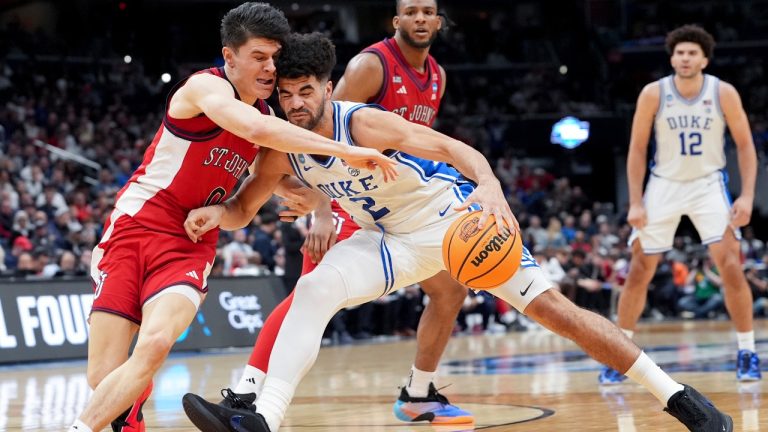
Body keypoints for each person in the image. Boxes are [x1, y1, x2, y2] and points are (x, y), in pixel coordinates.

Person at [181, 32, 732, 432]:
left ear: (328, 87)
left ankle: (681, 398)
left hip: (452, 222)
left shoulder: (364, 122)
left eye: (307, 92)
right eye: (287, 95)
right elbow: (244, 205)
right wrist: (218, 217)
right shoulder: (279, 147)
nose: (296, 104)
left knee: (558, 313)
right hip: (389, 240)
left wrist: (490, 184)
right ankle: (265, 421)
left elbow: (452, 149)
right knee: (315, 288)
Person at [66, 4, 396, 432]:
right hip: (135, 226)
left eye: (275, 58)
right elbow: (257, 132)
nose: (270, 68)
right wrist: (349, 150)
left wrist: (316, 206)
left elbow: (255, 200)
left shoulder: (268, 118)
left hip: (188, 241)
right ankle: (129, 412)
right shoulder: (204, 90)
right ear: (230, 56)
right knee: (103, 379)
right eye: (260, 57)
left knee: (157, 342)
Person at [204, 0, 473, 425]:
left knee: (450, 289)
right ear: (397, 20)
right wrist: (323, 209)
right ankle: (245, 394)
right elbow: (321, 134)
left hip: (400, 206)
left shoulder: (436, 75)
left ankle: (418, 392)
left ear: (438, 21)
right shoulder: (372, 66)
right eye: (411, 11)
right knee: (307, 295)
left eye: (428, 11)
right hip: (349, 198)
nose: (420, 19)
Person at [599, 24, 761, 385]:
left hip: (708, 184)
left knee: (731, 264)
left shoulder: (723, 93)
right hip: (664, 184)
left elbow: (747, 146)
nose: (685, 58)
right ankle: (620, 353)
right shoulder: (654, 93)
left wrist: (747, 195)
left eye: (692, 53)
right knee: (641, 268)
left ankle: (747, 352)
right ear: (672, 57)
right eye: (679, 52)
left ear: (704, 59)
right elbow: (637, 149)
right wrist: (636, 201)